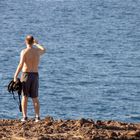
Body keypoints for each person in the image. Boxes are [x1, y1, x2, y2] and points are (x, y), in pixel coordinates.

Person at [14, 35, 46, 122]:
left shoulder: (24, 52)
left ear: (25, 42)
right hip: (35, 75)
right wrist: (37, 44)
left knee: (25, 96)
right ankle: (37, 117)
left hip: (26, 75)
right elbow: (44, 49)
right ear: (32, 42)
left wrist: (15, 76)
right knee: (35, 97)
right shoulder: (37, 52)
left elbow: (21, 64)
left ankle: (24, 117)